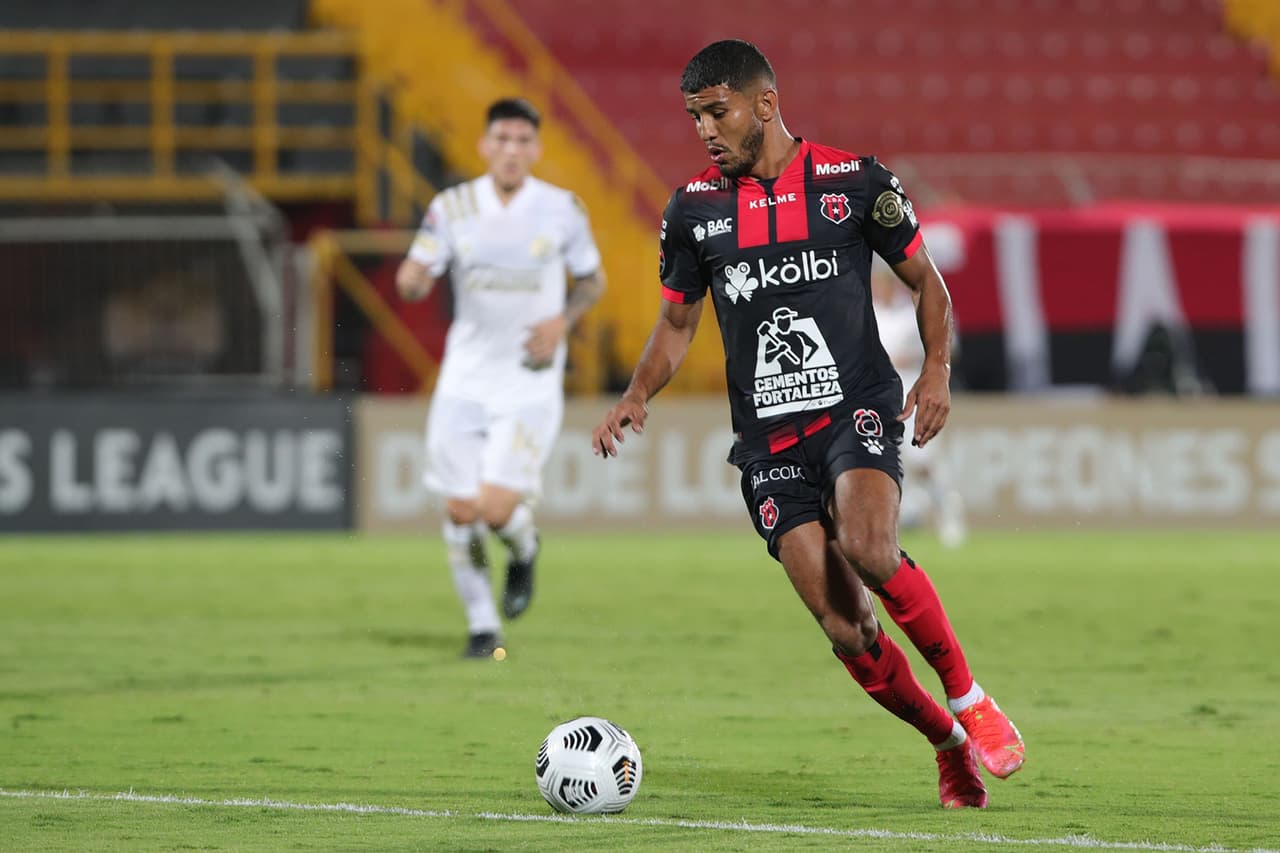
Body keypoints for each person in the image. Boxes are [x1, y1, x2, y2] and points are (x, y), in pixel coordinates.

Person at [591, 40, 1023, 808]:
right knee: (847, 627)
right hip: (766, 440)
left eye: (717, 112)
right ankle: (946, 743)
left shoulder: (854, 182)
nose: (705, 131)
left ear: (765, 104)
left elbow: (927, 282)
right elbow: (677, 323)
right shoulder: (692, 210)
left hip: (853, 406)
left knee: (867, 544)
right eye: (695, 117)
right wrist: (637, 393)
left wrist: (936, 368)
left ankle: (970, 699)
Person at [398, 97, 606, 659]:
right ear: (484, 146)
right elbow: (415, 274)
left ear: (536, 149)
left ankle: (524, 548)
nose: (511, 150)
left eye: (522, 141)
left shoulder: (562, 209)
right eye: (502, 140)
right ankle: (482, 627)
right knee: (459, 510)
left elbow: (592, 281)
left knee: (492, 510)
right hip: (464, 378)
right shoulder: (452, 207)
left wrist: (562, 321)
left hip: (528, 381)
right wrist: (413, 280)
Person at [870, 259, 968, 547]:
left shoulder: (911, 312)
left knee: (923, 459)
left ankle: (949, 511)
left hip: (913, 388)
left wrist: (914, 358)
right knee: (890, 458)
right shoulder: (869, 312)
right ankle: (906, 515)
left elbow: (948, 346)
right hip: (880, 394)